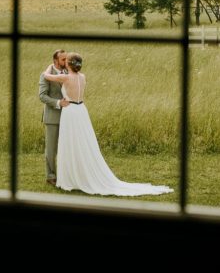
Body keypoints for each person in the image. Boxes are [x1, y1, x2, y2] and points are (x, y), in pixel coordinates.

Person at [43, 52, 173, 196]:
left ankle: (72, 177)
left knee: (70, 143)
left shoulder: (65, 77)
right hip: (81, 110)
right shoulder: (82, 77)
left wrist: (49, 66)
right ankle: (80, 174)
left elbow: (46, 76)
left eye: (66, 61)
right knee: (83, 142)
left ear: (69, 64)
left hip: (70, 110)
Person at [38, 49, 69, 186]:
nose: (66, 61)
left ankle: (65, 175)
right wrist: (58, 103)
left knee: (66, 147)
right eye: (63, 59)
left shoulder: (69, 72)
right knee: (51, 149)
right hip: (52, 117)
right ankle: (51, 176)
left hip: (68, 117)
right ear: (55, 61)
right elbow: (42, 96)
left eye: (66, 58)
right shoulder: (46, 75)